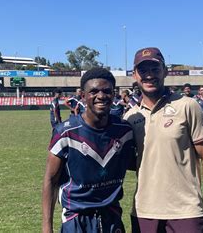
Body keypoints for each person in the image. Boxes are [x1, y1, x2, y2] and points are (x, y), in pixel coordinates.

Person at [124, 47, 203, 232]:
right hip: (144, 211)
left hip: (186, 211)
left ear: (165, 71)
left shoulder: (187, 106)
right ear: (135, 75)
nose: (149, 75)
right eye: (143, 70)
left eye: (155, 69)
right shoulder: (130, 116)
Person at [42, 68, 136, 233]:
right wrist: (46, 227)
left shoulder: (124, 131)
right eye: (94, 91)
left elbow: (134, 162)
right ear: (83, 96)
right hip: (77, 218)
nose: (101, 96)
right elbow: (50, 180)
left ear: (113, 95)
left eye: (107, 91)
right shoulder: (66, 132)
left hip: (112, 216)